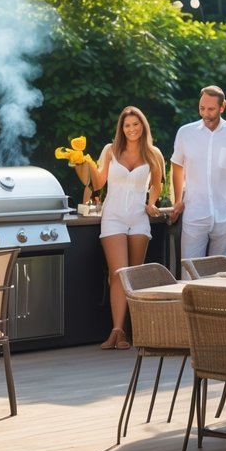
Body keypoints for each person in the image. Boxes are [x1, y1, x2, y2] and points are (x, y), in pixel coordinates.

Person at [85, 106, 166, 350]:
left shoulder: (154, 153)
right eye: (127, 125)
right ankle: (117, 331)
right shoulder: (110, 151)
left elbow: (157, 185)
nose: (131, 129)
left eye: (136, 124)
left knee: (134, 275)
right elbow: (98, 182)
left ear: (143, 126)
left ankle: (133, 331)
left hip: (138, 218)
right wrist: (84, 162)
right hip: (114, 216)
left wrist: (151, 203)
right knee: (117, 273)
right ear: (121, 129)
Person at [170, 86, 226, 262]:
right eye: (202, 108)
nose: (205, 114)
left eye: (211, 109)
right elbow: (177, 165)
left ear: (222, 106)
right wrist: (178, 200)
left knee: (221, 275)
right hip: (194, 213)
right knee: (190, 273)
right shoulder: (185, 133)